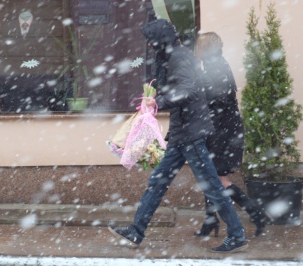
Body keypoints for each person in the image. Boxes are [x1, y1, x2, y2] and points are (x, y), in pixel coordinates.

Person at [108, 19, 248, 253]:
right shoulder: (173, 56)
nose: (150, 46)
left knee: (212, 185)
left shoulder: (180, 57)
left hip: (191, 135)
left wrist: (159, 101)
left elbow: (189, 90)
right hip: (183, 133)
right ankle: (136, 230)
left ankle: (237, 234)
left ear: (161, 39)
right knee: (157, 183)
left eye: (152, 41)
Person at [194, 32, 267, 237]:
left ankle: (257, 214)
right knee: (210, 177)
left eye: (199, 46)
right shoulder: (215, 65)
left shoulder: (215, 68)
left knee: (219, 179)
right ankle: (210, 221)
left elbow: (218, 103)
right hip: (221, 129)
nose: (196, 49)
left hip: (223, 132)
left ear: (204, 48)